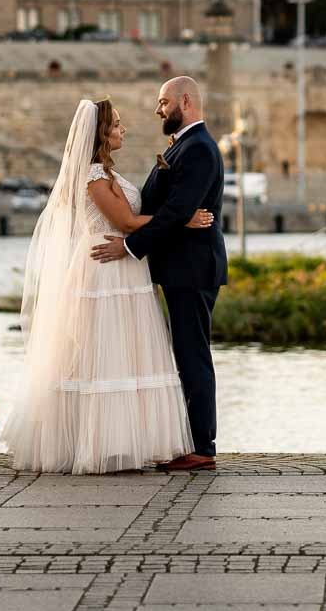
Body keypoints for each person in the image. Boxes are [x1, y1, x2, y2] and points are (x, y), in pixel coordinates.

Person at [2, 96, 214, 474]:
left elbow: (134, 218)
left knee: (125, 356)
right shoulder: (93, 176)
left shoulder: (107, 173)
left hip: (125, 268)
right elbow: (128, 223)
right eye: (116, 125)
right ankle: (98, 445)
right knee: (103, 357)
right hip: (104, 269)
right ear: (101, 133)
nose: (123, 129)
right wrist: (182, 220)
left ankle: (125, 443)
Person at [91, 76, 226, 472]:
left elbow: (177, 210)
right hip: (182, 266)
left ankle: (203, 447)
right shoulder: (184, 144)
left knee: (193, 355)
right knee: (186, 353)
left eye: (163, 102)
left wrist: (130, 246)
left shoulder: (198, 148)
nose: (158, 110)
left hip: (192, 268)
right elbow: (171, 210)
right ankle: (192, 441)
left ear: (185, 100)